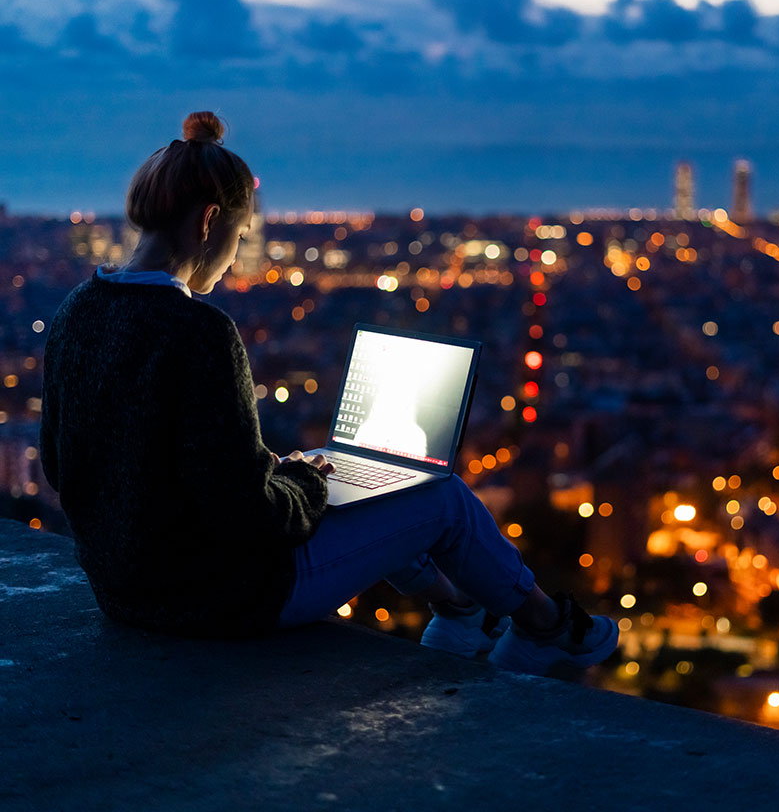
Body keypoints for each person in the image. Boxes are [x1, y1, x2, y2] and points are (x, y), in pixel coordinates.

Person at [39, 111, 617, 677]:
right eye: (240, 237)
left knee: (368, 493)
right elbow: (256, 517)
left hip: (123, 590)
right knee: (439, 498)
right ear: (210, 222)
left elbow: (61, 466)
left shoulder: (77, 310)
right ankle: (546, 628)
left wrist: (275, 473)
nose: (236, 256)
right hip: (219, 599)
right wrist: (306, 484)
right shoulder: (199, 333)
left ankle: (461, 612)